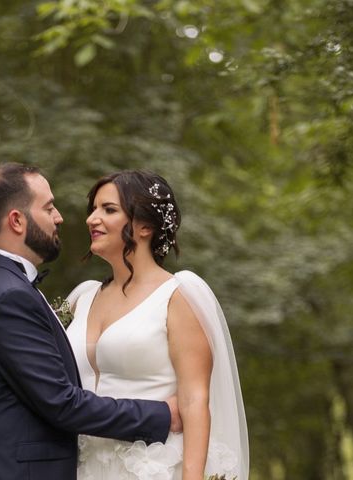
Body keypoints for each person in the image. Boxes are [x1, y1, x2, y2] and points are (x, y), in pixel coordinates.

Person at [0, 163, 181, 480]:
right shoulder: (9, 295)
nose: (60, 217)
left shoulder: (1, 285)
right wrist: (164, 414)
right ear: (17, 221)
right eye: (49, 207)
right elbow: (61, 403)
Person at [64, 170, 249, 480]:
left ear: (145, 226)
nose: (91, 219)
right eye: (93, 209)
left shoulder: (176, 296)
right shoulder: (82, 298)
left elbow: (194, 400)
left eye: (108, 210)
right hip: (82, 467)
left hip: (151, 466)